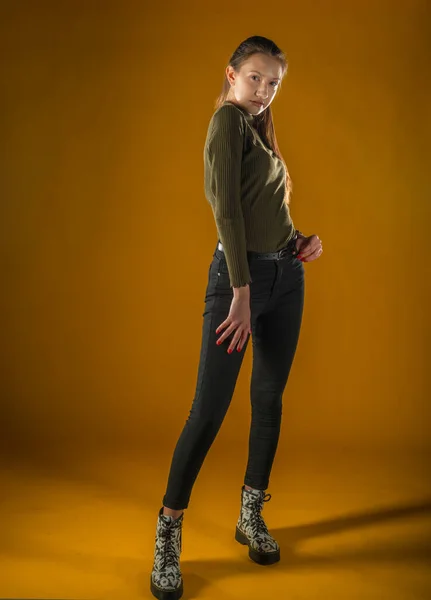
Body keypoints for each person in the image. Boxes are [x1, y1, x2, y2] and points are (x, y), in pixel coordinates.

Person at [150, 35, 323, 600]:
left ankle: (251, 515)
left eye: (273, 83)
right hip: (239, 284)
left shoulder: (258, 129)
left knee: (269, 400)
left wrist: (298, 241)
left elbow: (261, 206)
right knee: (209, 410)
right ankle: (168, 535)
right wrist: (242, 293)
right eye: (255, 78)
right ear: (231, 75)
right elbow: (224, 208)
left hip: (284, 279)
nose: (264, 91)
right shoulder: (226, 123)